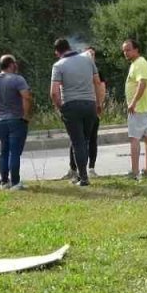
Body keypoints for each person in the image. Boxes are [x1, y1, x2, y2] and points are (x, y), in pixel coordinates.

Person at [50, 37, 104, 186]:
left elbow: (54, 93)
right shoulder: (88, 60)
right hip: (89, 105)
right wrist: (98, 103)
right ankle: (82, 175)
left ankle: (83, 178)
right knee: (85, 141)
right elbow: (98, 82)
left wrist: (61, 107)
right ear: (69, 47)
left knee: (78, 142)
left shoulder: (58, 65)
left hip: (71, 106)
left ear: (57, 52)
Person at [0, 54, 32, 190]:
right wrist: (25, 115)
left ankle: (4, 182)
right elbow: (26, 97)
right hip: (16, 119)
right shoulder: (18, 79)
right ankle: (16, 182)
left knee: (4, 151)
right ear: (11, 64)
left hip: (1, 120)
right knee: (15, 152)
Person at [65, 46, 105, 179]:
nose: (91, 56)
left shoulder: (97, 71)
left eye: (93, 54)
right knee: (76, 140)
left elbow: (100, 87)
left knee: (91, 139)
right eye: (88, 54)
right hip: (79, 108)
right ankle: (74, 169)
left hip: (92, 108)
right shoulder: (79, 70)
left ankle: (91, 168)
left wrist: (99, 104)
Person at [122, 38, 147, 179]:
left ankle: (135, 172)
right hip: (145, 107)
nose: (126, 53)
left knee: (134, 138)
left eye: (128, 49)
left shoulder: (140, 63)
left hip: (139, 108)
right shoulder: (136, 63)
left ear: (136, 49)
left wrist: (133, 102)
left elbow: (142, 83)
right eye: (124, 50)